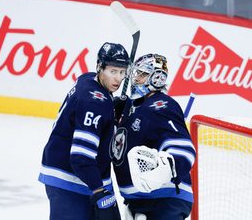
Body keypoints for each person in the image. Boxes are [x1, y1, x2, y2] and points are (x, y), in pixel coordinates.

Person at [38, 42, 130, 220]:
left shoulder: (87, 79)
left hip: (75, 173)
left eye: (121, 72)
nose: (118, 79)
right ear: (99, 67)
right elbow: (81, 157)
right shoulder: (95, 103)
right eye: (112, 71)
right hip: (71, 180)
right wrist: (98, 190)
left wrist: (112, 107)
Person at [110, 53, 196, 220]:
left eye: (141, 74)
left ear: (156, 78)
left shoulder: (161, 106)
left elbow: (184, 150)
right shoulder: (134, 106)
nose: (136, 79)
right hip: (142, 201)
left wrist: (166, 169)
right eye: (137, 74)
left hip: (164, 199)